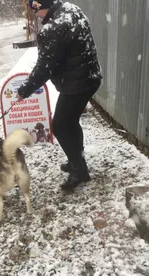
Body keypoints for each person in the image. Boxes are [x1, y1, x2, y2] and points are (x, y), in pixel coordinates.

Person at [17, 0, 102, 190]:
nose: (37, 16)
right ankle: (77, 161)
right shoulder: (70, 9)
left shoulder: (55, 27)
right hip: (90, 77)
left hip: (77, 84)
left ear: (42, 7)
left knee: (60, 125)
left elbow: (45, 67)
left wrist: (24, 90)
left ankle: (79, 171)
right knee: (70, 122)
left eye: (36, 11)